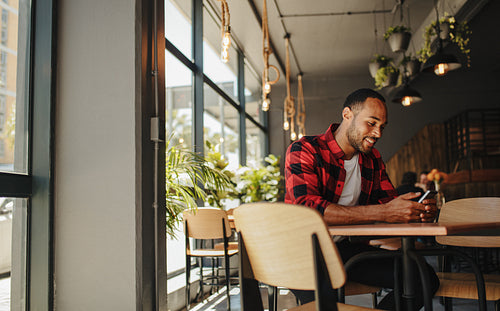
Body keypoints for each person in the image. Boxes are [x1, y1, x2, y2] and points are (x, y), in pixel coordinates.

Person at [284, 88, 439, 310]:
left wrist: (416, 209)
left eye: (382, 127)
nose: (378, 133)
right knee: (327, 304)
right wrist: (385, 212)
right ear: (347, 115)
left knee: (422, 277)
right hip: (303, 252)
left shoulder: (372, 159)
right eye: (372, 123)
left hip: (345, 250)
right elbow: (309, 209)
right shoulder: (305, 149)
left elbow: (391, 204)